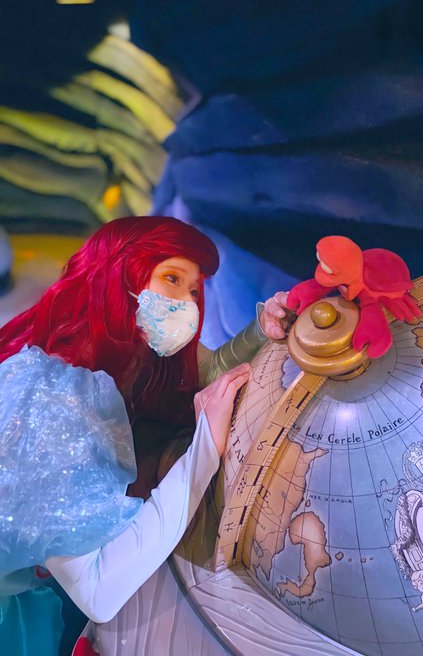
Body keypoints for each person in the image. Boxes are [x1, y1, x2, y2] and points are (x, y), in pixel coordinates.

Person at [0, 216, 288, 655]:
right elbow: (98, 590)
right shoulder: (53, 398)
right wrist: (204, 451)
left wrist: (261, 330)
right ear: (120, 275)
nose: (187, 304)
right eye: (171, 279)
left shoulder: (135, 357)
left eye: (195, 291)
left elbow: (204, 373)